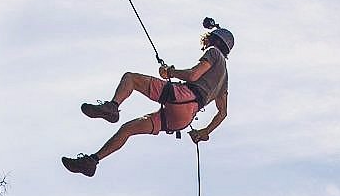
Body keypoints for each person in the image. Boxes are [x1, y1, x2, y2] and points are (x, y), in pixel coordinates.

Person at [62, 21, 234, 177]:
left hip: (182, 97)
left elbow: (193, 75)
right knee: (127, 129)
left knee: (131, 78)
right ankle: (92, 161)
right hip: (183, 118)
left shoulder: (213, 53)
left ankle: (112, 107)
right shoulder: (224, 78)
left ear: (216, 41)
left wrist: (170, 72)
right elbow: (223, 112)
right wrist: (204, 132)